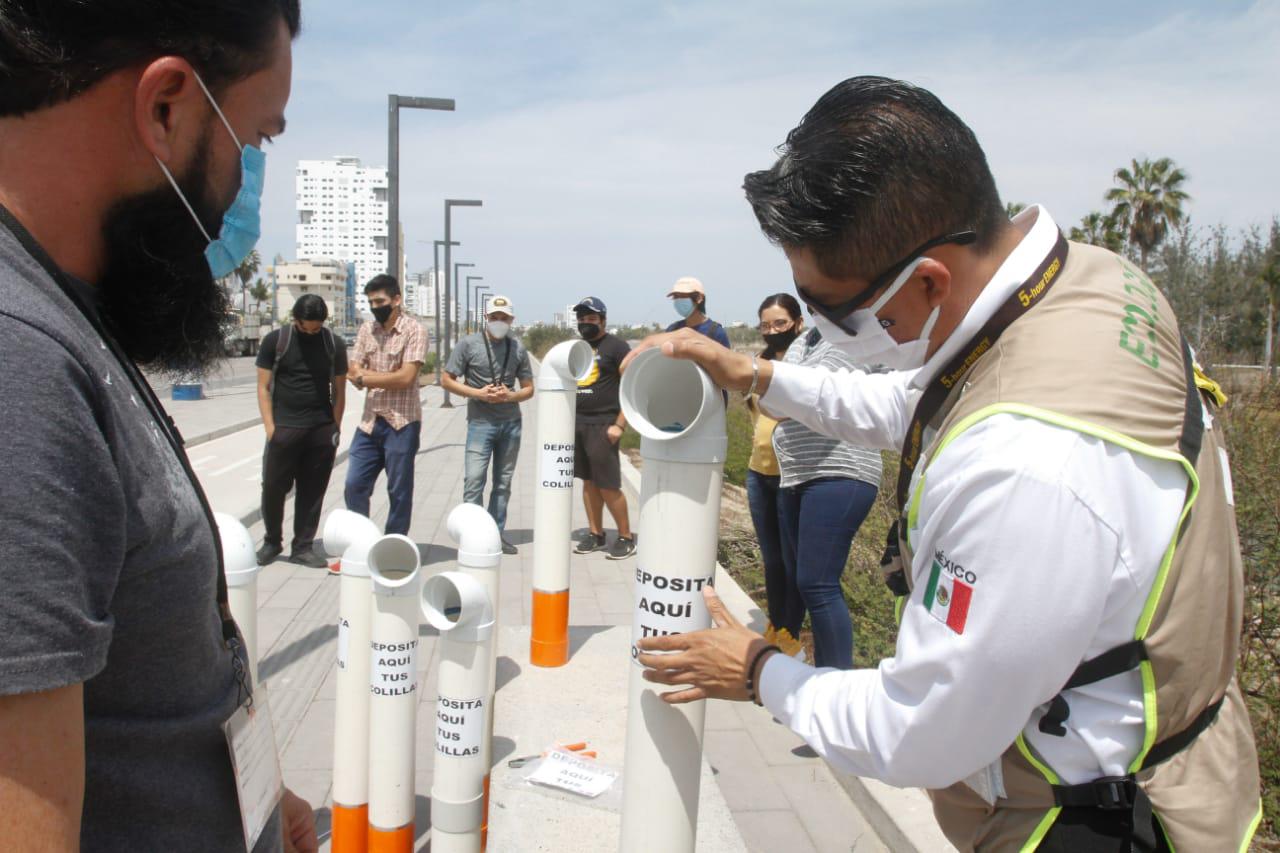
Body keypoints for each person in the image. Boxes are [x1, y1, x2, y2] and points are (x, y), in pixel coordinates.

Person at [630, 76, 1260, 851]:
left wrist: (759, 670)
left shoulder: (1026, 469)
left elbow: (921, 729)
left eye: (831, 310)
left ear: (926, 281)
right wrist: (760, 377)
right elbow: (927, 405)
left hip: (1088, 818)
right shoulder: (1085, 285)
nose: (822, 326)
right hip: (1169, 762)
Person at [0, 2, 318, 851]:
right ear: (167, 106)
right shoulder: (18, 364)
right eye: (259, 135)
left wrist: (234, 795)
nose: (250, 177)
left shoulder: (63, 312)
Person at [773, 325, 880, 670]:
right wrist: (785, 394)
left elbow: (816, 392)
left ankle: (834, 683)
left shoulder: (855, 331)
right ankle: (822, 672)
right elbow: (776, 399)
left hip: (840, 470)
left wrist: (784, 393)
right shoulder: (804, 340)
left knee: (817, 583)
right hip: (796, 473)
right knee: (805, 584)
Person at [255, 294, 348, 568]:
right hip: (284, 429)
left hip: (320, 430)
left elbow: (340, 390)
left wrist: (335, 427)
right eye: (305, 327)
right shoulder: (276, 341)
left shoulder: (333, 344)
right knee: (272, 487)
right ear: (295, 320)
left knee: (312, 491)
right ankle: (272, 541)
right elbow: (263, 387)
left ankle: (303, 547)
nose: (310, 332)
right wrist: (271, 429)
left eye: (316, 328)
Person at [442, 294, 533, 554]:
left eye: (504, 318)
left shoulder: (518, 348)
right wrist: (478, 393)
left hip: (511, 423)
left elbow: (529, 389)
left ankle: (495, 534)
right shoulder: (468, 344)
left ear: (512, 320)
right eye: (494, 317)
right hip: (480, 423)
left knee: (503, 483)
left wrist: (510, 395)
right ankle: (471, 536)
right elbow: (447, 379)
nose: (499, 321)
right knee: (474, 480)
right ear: (486, 318)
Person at [343, 274, 427, 538]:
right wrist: (363, 375)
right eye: (371, 302)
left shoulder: (415, 330)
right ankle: (360, 540)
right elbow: (352, 368)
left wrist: (366, 378)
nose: (375, 307)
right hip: (370, 423)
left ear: (396, 300)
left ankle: (394, 545)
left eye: (380, 301)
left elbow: (407, 377)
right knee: (354, 485)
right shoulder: (367, 329)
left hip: (402, 424)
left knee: (399, 491)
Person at [745, 294, 804, 658]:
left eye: (779, 323)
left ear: (797, 323)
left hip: (792, 475)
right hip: (758, 472)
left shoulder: (808, 366)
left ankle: (790, 633)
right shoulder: (759, 365)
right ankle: (775, 625)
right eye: (766, 325)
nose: (772, 331)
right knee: (772, 558)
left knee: (792, 559)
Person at [571, 296, 636, 560]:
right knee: (588, 483)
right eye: (582, 319)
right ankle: (596, 534)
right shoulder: (577, 347)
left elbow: (632, 388)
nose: (586, 324)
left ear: (603, 320)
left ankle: (625, 537)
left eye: (591, 319)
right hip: (579, 423)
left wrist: (619, 425)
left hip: (604, 424)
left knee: (608, 485)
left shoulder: (617, 347)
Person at [664, 276, 731, 347]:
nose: (678, 300)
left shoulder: (716, 333)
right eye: (676, 297)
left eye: (682, 296)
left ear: (699, 298)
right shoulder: (672, 330)